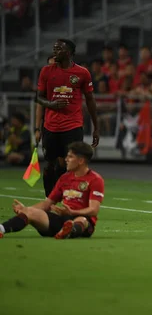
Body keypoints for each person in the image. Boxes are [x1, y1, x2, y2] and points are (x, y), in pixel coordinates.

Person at [0, 142, 104, 239]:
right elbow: (47, 204)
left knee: (82, 220)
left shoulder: (95, 179)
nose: (66, 159)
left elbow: (94, 210)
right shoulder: (64, 178)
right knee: (30, 212)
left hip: (83, 221)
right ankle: (1, 229)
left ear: (81, 161)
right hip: (63, 218)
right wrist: (26, 209)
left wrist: (72, 212)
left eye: (70, 156)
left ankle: (70, 231)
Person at [35, 39, 99, 197]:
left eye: (59, 49)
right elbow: (38, 98)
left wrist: (96, 127)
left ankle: (67, 197)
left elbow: (90, 100)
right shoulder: (46, 71)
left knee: (71, 163)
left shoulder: (82, 73)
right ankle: (49, 198)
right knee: (50, 165)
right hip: (51, 126)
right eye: (54, 48)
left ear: (69, 52)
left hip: (73, 126)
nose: (55, 51)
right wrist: (52, 104)